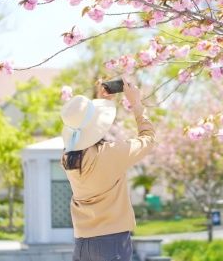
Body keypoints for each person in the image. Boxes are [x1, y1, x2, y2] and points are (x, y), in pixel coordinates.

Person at [60, 78, 156, 261]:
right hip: (112, 243)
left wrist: (101, 106)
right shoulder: (110, 153)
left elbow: (86, 135)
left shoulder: (66, 158)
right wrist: (136, 104)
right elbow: (148, 138)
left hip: (82, 244)